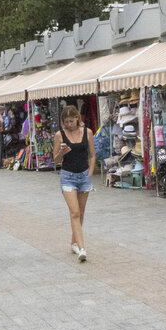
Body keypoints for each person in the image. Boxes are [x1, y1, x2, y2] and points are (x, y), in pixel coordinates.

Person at [52, 104, 96, 261]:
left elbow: (92, 154)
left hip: (84, 176)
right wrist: (61, 153)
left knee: (81, 213)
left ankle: (73, 242)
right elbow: (55, 160)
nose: (69, 125)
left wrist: (91, 171)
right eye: (66, 122)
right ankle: (82, 248)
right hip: (67, 176)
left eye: (71, 121)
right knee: (75, 212)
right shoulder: (60, 135)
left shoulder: (88, 132)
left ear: (77, 118)